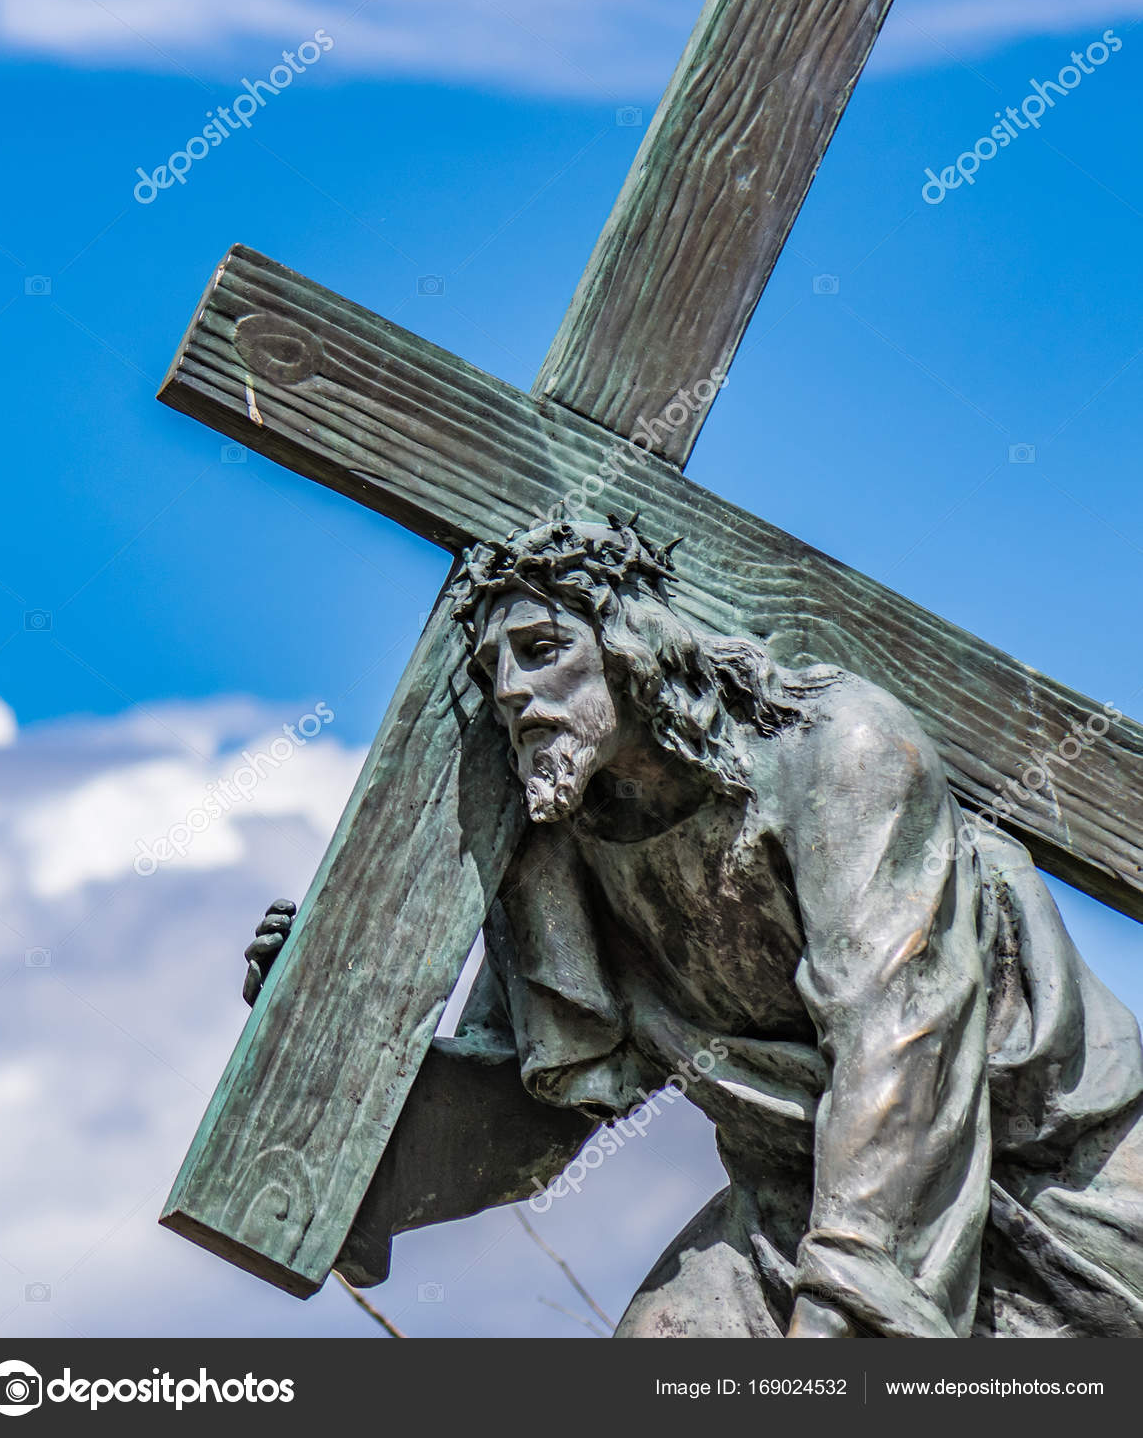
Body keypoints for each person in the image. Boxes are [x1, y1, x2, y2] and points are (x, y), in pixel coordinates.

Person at [246, 517, 1143, 1338]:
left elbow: (901, 1033)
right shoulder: (557, 853)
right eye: (492, 671)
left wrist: (850, 1304)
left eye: (543, 649)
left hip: (1051, 1169)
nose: (514, 692)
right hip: (795, 1195)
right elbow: (538, 1092)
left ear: (632, 647)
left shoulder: (837, 749)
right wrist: (331, 1046)